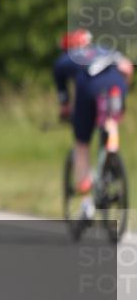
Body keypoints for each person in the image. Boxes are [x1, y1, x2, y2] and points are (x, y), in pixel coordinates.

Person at [53, 28, 133, 214]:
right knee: (110, 123)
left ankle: (86, 193)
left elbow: (62, 92)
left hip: (89, 89)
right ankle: (111, 159)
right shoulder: (106, 50)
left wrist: (65, 109)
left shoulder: (67, 58)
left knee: (81, 144)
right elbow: (127, 67)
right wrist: (124, 91)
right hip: (115, 86)